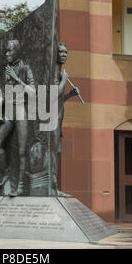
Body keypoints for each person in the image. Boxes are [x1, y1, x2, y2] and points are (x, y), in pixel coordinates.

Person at [0, 39, 35, 196]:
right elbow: (4, 92)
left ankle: (19, 186)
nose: (6, 53)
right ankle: (7, 171)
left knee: (22, 151)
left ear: (17, 52)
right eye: (6, 51)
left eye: (9, 50)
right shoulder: (6, 69)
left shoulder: (25, 68)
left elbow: (34, 91)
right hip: (8, 111)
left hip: (21, 111)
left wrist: (17, 78)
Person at [51, 42, 80, 196]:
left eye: (66, 52)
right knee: (54, 151)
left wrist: (70, 94)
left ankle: (53, 187)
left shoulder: (59, 71)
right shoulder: (53, 72)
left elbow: (59, 99)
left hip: (58, 118)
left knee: (57, 151)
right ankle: (53, 188)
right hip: (51, 120)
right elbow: (53, 96)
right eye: (61, 52)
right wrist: (63, 80)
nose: (64, 55)